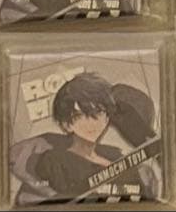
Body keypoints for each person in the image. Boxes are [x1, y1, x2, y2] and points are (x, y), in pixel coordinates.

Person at [22, 73, 159, 201]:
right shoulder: (54, 161)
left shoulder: (119, 158)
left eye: (98, 113)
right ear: (66, 124)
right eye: (80, 115)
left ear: (107, 118)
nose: (92, 122)